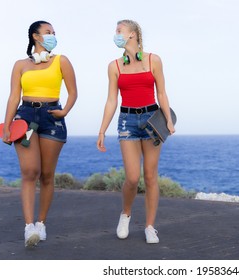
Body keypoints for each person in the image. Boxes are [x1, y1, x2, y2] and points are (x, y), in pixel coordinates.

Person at [97, 19, 175, 244]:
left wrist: (168, 120)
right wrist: (102, 130)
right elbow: (112, 100)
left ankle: (150, 226)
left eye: (119, 30)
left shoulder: (154, 60)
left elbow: (161, 93)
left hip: (152, 120)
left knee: (150, 176)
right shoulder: (114, 66)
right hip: (127, 120)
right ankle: (126, 213)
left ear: (132, 34)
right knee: (132, 177)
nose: (116, 34)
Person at [2, 20, 77, 247]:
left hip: (52, 117)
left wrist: (63, 111)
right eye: (48, 32)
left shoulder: (61, 61)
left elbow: (73, 92)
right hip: (24, 117)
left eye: (54, 32)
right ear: (36, 36)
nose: (53, 35)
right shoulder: (20, 65)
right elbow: (14, 97)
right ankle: (28, 227)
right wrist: (7, 125)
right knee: (29, 171)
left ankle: (41, 223)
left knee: (46, 175)